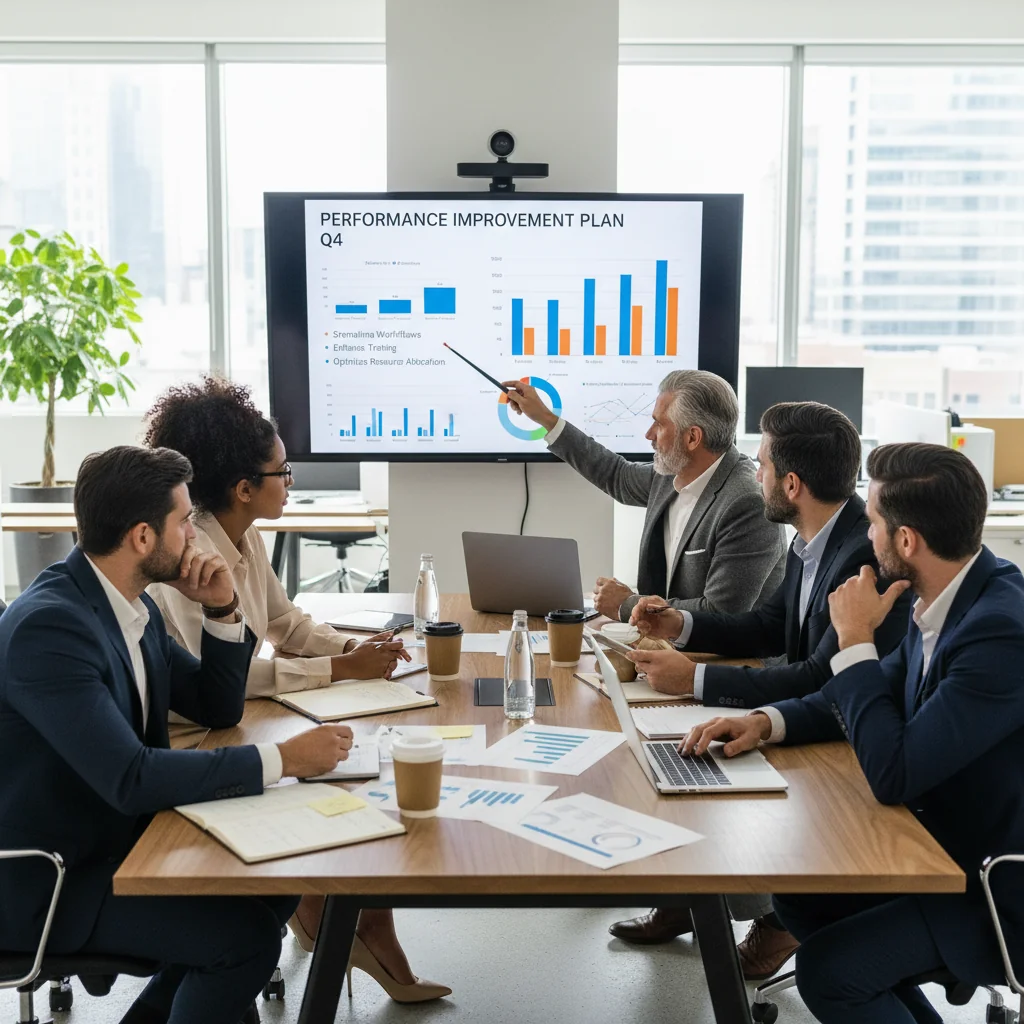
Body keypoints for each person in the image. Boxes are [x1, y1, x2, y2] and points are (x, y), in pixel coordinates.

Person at [0, 446, 355, 1024]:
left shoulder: (125, 608)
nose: (198, 536)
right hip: (52, 880)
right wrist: (283, 759)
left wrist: (221, 611)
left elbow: (216, 706)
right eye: (186, 522)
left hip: (122, 846)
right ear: (143, 537)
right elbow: (130, 776)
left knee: (275, 886)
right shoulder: (53, 627)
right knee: (242, 942)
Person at [682, 442, 1024, 1024]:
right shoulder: (941, 597)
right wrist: (768, 721)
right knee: (797, 896)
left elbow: (895, 773)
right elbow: (871, 689)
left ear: (907, 541)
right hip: (932, 846)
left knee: (829, 972)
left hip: (990, 887)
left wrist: (856, 638)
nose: (867, 536)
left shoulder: (998, 632)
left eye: (873, 523)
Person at [143, 377, 450, 1003]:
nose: (292, 482)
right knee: (337, 779)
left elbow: (285, 625)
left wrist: (354, 651)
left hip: (235, 720)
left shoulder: (244, 535)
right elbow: (209, 681)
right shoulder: (190, 556)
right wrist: (337, 672)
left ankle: (344, 919)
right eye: (284, 472)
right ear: (243, 488)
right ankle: (344, 921)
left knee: (353, 763)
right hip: (194, 740)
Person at [608, 402, 914, 978]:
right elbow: (770, 624)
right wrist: (680, 624)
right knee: (682, 755)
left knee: (699, 755)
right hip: (813, 715)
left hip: (843, 736)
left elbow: (822, 677)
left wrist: (694, 677)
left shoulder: (859, 557)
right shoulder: (811, 538)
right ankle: (689, 900)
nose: (755, 472)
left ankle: (775, 924)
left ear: (791, 484)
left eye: (763, 464)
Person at [503, 369, 786, 620]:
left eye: (659, 424)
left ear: (692, 438)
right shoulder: (670, 474)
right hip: (669, 648)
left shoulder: (747, 503)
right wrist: (545, 418)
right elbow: (615, 474)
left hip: (731, 664)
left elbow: (721, 613)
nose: (649, 434)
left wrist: (627, 605)